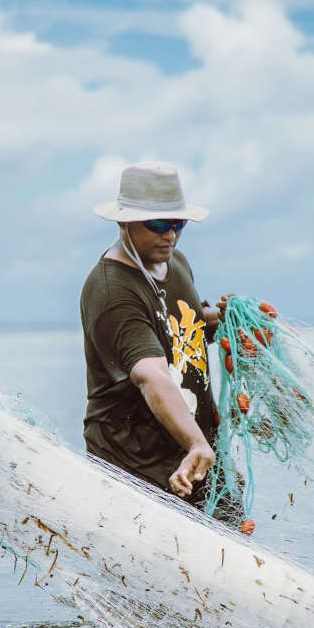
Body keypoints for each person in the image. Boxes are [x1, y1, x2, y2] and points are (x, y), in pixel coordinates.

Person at [80, 161, 251, 531]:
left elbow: (179, 325)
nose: (170, 236)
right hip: (137, 469)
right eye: (157, 225)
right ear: (123, 222)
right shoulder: (113, 292)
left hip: (199, 461)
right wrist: (196, 444)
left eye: (178, 224)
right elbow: (151, 375)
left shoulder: (175, 262)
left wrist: (221, 318)